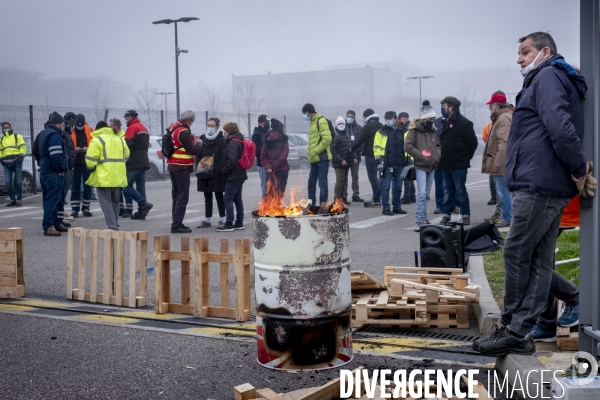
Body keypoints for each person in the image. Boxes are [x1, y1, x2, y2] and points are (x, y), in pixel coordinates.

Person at [474, 32, 597, 356]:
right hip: (544, 182)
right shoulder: (549, 78)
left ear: (545, 51)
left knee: (516, 253)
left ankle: (512, 328)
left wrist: (578, 169)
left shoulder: (548, 77)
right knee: (539, 260)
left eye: (525, 52)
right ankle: (521, 330)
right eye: (518, 53)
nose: (519, 59)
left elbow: (559, 125)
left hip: (539, 183)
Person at [531, 196, 581, 342]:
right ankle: (546, 324)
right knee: (539, 259)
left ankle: (575, 297)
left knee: (531, 260)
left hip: (554, 204)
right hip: (549, 204)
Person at [438, 96, 478, 225]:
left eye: (444, 106)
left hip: (459, 164)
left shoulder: (464, 123)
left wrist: (465, 157)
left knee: (460, 190)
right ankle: (446, 214)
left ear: (451, 107)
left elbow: (473, 143)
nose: (442, 109)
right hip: (445, 163)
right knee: (448, 191)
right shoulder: (444, 122)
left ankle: (465, 215)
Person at [85, 121, 129, 230]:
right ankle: (115, 224)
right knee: (115, 202)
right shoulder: (119, 139)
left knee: (106, 202)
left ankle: (112, 226)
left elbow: (90, 161)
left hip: (103, 176)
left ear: (97, 129)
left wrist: (91, 168)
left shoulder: (97, 140)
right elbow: (127, 155)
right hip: (118, 176)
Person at [405, 103, 441, 231]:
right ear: (424, 119)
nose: (432, 121)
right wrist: (420, 156)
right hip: (420, 165)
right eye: (430, 119)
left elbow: (438, 145)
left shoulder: (432, 131)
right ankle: (419, 220)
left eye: (433, 119)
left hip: (431, 165)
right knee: (421, 193)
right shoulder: (414, 131)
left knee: (426, 194)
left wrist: (437, 156)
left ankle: (424, 218)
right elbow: (408, 146)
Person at [166, 110, 203, 233]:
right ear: (189, 120)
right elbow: (192, 150)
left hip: (172, 165)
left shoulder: (173, 126)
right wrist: (198, 143)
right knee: (182, 197)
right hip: (181, 166)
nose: (191, 123)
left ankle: (176, 221)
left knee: (176, 196)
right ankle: (176, 225)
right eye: (192, 121)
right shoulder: (184, 131)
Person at [481, 91, 513, 228]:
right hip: (502, 162)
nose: (489, 108)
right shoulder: (503, 118)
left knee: (503, 192)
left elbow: (503, 143)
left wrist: (498, 164)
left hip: (501, 163)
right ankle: (508, 217)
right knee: (504, 192)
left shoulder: (503, 119)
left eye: (491, 105)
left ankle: (508, 218)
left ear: (496, 106)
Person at [38, 112, 69, 236]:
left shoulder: (45, 133)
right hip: (53, 172)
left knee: (49, 198)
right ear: (58, 122)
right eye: (62, 123)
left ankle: (55, 223)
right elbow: (56, 155)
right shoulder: (54, 135)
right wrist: (61, 168)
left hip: (46, 170)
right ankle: (49, 226)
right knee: (52, 200)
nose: (63, 125)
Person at [373, 111, 407, 216]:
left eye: (390, 118)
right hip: (386, 164)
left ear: (396, 119)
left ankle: (397, 207)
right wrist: (379, 161)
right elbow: (376, 148)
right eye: (386, 118)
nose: (388, 120)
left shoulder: (403, 131)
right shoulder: (381, 132)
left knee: (398, 187)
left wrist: (409, 161)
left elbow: (407, 146)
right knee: (385, 187)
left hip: (400, 164)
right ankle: (386, 208)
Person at [196, 117, 228, 228]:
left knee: (219, 196)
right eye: (208, 125)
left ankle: (222, 219)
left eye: (212, 126)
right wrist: (199, 168)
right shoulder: (202, 138)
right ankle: (207, 220)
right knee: (207, 196)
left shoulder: (221, 140)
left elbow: (224, 157)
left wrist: (218, 169)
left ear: (217, 127)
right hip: (204, 171)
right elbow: (198, 154)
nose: (210, 127)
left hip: (217, 173)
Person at [123, 109, 153, 219]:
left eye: (126, 117)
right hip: (144, 160)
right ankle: (141, 212)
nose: (126, 119)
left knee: (126, 186)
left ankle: (143, 204)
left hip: (134, 161)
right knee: (141, 187)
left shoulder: (132, 128)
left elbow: (128, 144)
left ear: (130, 117)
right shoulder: (143, 128)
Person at [351, 108, 383, 208]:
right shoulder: (382, 126)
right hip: (381, 156)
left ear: (367, 117)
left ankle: (376, 199)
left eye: (364, 117)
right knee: (379, 177)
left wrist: (351, 150)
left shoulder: (367, 127)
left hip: (370, 155)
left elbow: (360, 140)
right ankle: (378, 198)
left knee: (372, 177)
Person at [218, 122, 247, 232]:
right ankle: (239, 222)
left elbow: (232, 160)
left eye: (225, 131)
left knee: (228, 199)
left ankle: (229, 223)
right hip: (240, 174)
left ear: (229, 132)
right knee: (237, 199)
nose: (224, 133)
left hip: (233, 175)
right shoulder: (240, 140)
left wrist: (224, 170)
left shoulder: (233, 143)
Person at [303, 103, 332, 207]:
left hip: (322, 158)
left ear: (308, 112)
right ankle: (312, 205)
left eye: (304, 114)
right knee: (311, 183)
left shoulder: (321, 120)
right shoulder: (312, 122)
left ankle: (323, 206)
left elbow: (327, 139)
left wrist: (316, 151)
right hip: (314, 159)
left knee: (322, 183)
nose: (304, 116)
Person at [70, 114, 93, 217]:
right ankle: (75, 209)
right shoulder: (71, 132)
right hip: (76, 163)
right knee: (75, 186)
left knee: (88, 186)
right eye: (78, 124)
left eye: (81, 124)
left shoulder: (91, 130)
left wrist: (88, 149)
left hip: (87, 162)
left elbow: (95, 143)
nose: (79, 126)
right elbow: (69, 146)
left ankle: (86, 208)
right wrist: (74, 150)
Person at [260, 118, 289, 200]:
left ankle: (268, 210)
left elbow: (262, 156)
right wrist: (272, 166)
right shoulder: (284, 140)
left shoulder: (266, 140)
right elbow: (283, 157)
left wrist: (268, 167)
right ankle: (276, 209)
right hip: (282, 170)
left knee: (270, 193)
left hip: (269, 171)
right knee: (279, 193)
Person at [0, 122, 27, 207]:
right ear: (2, 129)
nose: (6, 129)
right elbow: (0, 151)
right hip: (6, 164)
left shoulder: (17, 137)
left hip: (16, 162)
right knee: (8, 182)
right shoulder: (1, 140)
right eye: (4, 128)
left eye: (7, 127)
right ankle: (12, 199)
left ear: (11, 127)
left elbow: (23, 147)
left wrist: (20, 158)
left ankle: (19, 199)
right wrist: (1, 160)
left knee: (18, 181)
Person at [330, 116, 355, 205]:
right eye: (339, 124)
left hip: (347, 162)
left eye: (342, 124)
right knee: (340, 181)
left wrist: (353, 157)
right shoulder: (335, 135)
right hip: (339, 163)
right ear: (336, 125)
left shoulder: (347, 134)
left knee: (345, 181)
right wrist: (341, 160)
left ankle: (343, 197)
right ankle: (337, 198)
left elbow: (350, 148)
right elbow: (333, 150)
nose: (341, 125)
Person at [60, 113, 77, 222]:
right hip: (65, 165)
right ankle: (59, 215)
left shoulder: (67, 133)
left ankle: (60, 214)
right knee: (62, 191)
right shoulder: (63, 133)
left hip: (69, 164)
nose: (71, 125)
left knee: (64, 191)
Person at [397, 112, 416, 205]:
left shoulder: (407, 128)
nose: (399, 121)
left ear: (405, 118)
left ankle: (407, 196)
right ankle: (412, 196)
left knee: (407, 177)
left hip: (407, 155)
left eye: (400, 119)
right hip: (410, 155)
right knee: (410, 176)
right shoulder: (409, 127)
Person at [346, 110, 364, 203]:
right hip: (345, 157)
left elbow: (360, 143)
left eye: (352, 117)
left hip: (355, 157)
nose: (350, 118)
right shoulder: (343, 127)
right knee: (344, 177)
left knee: (355, 176)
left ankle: (355, 194)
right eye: (349, 116)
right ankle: (343, 195)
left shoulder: (359, 128)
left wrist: (356, 156)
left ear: (354, 117)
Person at [252, 114, 270, 198]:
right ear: (259, 123)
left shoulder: (269, 132)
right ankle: (265, 206)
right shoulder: (257, 134)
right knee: (265, 186)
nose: (267, 124)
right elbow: (256, 151)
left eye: (267, 122)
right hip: (262, 163)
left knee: (272, 186)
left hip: (271, 163)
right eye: (264, 123)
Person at [481, 121, 497, 206]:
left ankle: (494, 198)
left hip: (490, 152)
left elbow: (484, 139)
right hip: (501, 152)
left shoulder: (487, 126)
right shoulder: (507, 121)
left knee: (492, 177)